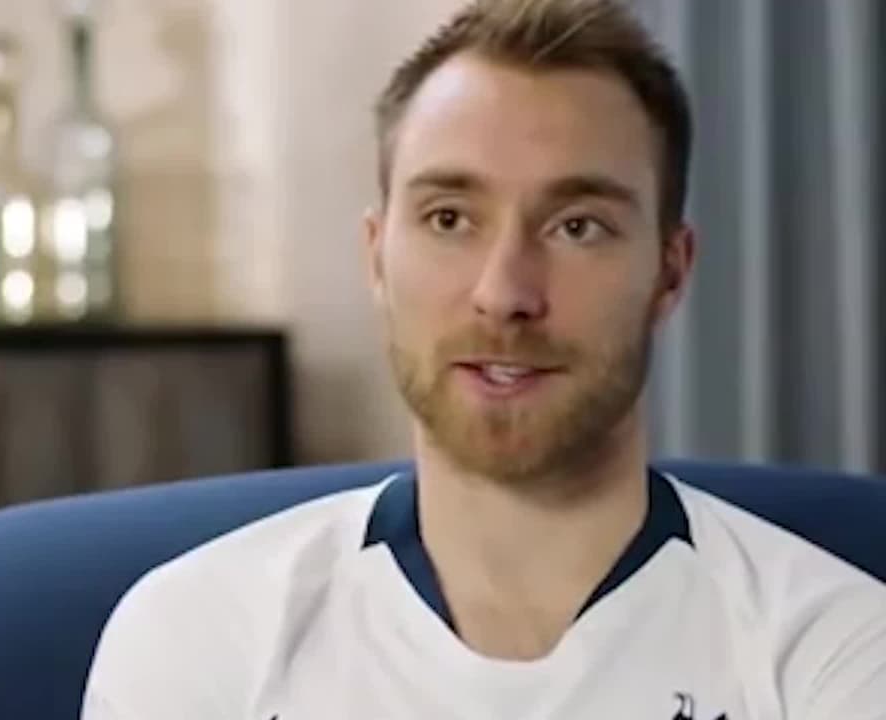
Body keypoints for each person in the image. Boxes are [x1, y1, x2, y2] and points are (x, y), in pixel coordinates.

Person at [81, 0, 886, 717]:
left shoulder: (838, 653)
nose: (504, 293)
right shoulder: (200, 639)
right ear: (376, 256)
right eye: (449, 219)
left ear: (669, 274)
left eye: (577, 227)